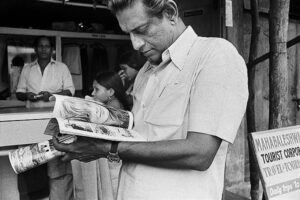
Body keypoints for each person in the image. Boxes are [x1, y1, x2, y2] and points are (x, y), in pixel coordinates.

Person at [53, 0, 249, 199]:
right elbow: (141, 138)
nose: (135, 44)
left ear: (170, 13)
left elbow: (200, 152)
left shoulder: (214, 55)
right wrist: (91, 129)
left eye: (142, 29)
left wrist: (107, 148)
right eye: (128, 33)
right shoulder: (145, 72)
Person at [16, 35, 75, 200]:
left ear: (52, 49)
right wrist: (27, 95)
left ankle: (57, 195)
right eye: (40, 46)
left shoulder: (61, 67)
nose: (44, 49)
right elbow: (19, 93)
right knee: (33, 160)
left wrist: (51, 95)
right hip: (30, 120)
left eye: (47, 46)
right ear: (35, 49)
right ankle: (35, 195)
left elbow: (70, 91)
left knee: (55, 161)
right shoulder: (27, 68)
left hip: (54, 121)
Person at [72, 71, 127, 200]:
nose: (92, 93)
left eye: (96, 89)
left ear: (111, 92)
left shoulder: (114, 112)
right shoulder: (109, 107)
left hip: (112, 167)